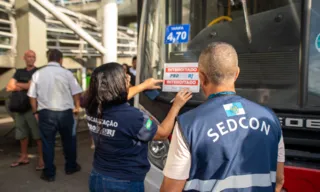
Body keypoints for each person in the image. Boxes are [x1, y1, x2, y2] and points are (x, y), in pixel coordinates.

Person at [160, 42, 285, 192]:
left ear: (201, 76)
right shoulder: (270, 119)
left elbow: (170, 190)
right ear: (236, 73)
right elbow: (279, 179)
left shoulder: (188, 125)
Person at [84, 62, 192, 192]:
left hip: (97, 177)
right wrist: (176, 106)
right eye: (124, 77)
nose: (128, 77)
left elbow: (115, 96)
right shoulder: (133, 117)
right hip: (123, 183)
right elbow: (163, 133)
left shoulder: (93, 107)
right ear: (116, 85)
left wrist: (144, 85)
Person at [28, 49, 83, 182]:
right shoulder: (67, 73)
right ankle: (70, 167)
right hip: (65, 113)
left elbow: (32, 96)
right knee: (69, 141)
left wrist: (35, 112)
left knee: (48, 143)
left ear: (48, 59)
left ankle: (49, 173)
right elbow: (76, 92)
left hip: (46, 114)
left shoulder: (38, 74)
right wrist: (77, 107)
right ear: (61, 60)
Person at [6, 50, 44, 170]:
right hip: (19, 107)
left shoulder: (38, 72)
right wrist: (25, 85)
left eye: (33, 57)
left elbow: (32, 86)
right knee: (22, 134)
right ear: (24, 58)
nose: (31, 59)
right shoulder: (19, 71)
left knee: (38, 136)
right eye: (29, 56)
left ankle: (41, 159)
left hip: (32, 108)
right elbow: (9, 86)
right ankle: (24, 157)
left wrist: (18, 85)